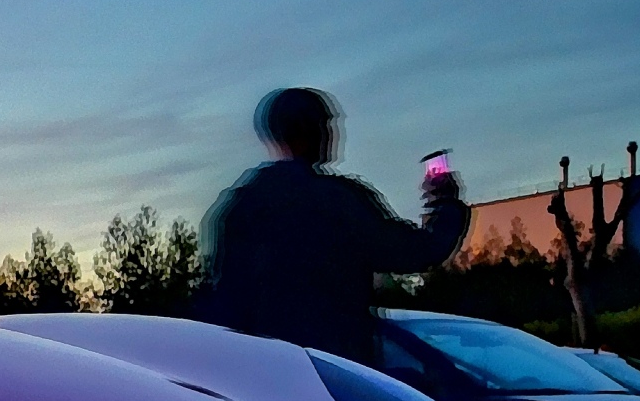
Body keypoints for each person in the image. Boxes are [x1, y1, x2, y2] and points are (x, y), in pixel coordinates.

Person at [196, 87, 469, 364]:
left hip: (265, 372)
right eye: (327, 123)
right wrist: (444, 202)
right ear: (309, 130)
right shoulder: (339, 201)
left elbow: (227, 301)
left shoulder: (239, 208)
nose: (333, 132)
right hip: (336, 369)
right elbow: (417, 251)